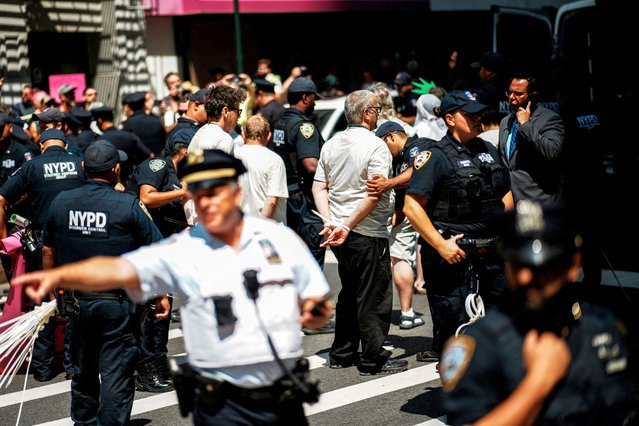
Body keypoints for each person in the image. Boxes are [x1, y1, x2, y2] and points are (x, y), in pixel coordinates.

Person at [14, 148, 333, 426]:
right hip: (220, 403)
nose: (206, 202)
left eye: (215, 192)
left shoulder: (279, 239)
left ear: (236, 193)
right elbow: (119, 269)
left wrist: (306, 312)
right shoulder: (182, 248)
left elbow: (319, 304)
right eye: (198, 193)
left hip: (282, 396)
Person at [439, 200, 638, 425]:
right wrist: (538, 384)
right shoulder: (481, 344)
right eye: (518, 265)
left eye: (540, 268)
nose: (525, 278)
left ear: (573, 266)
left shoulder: (601, 326)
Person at [36, 140, 163, 423]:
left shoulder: (62, 202)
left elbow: (47, 250)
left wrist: (54, 291)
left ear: (83, 167)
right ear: (116, 169)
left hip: (78, 302)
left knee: (83, 371)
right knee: (116, 373)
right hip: (118, 305)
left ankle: (84, 422)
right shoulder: (129, 204)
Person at [403, 90, 513, 363]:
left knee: (504, 324)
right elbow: (411, 207)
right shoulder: (434, 156)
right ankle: (460, 397)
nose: (478, 119)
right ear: (450, 119)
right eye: (470, 115)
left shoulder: (487, 149)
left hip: (493, 255)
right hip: (454, 256)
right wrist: (441, 245)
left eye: (479, 114)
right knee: (458, 332)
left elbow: (506, 194)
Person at [312, 89, 408, 376]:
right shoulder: (376, 146)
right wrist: (345, 225)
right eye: (377, 110)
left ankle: (342, 352)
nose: (378, 114)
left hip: (340, 233)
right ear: (366, 113)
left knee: (350, 291)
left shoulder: (331, 143)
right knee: (373, 295)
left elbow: (319, 187)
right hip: (365, 230)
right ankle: (372, 358)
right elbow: (374, 194)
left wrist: (332, 222)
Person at [0, 128, 85, 381]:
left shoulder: (32, 166)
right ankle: (73, 366)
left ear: (41, 145)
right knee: (74, 304)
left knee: (42, 304)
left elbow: (1, 198)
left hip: (41, 244)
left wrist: (3, 237)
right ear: (65, 145)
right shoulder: (79, 164)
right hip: (76, 241)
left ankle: (44, 367)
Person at [370, 121, 432, 329]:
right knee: (400, 257)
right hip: (408, 212)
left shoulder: (417, 146)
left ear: (391, 137)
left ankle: (408, 312)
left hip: (431, 212)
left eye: (383, 144)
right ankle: (407, 313)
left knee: (404, 258)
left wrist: (389, 183)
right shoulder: (397, 159)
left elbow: (418, 169)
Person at [271, 77, 327, 268]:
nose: (315, 102)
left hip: (286, 196)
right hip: (303, 200)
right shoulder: (304, 126)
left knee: (292, 254)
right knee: (313, 249)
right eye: (313, 98)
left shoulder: (281, 123)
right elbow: (311, 164)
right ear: (305, 98)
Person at [499, 71, 565, 208]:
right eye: (509, 92)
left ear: (532, 96)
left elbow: (552, 151)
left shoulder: (549, 119)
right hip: (512, 204)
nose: (511, 97)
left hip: (539, 202)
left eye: (518, 93)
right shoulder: (506, 122)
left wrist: (526, 125)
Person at [235, 115, 288, 223]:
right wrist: (260, 225)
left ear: (243, 134)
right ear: (268, 136)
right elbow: (272, 201)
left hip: (240, 225)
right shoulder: (274, 160)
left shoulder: (233, 156)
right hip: (269, 228)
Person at [91, 105, 153, 190]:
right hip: (128, 184)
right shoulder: (130, 136)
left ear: (100, 120)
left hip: (106, 186)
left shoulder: (99, 141)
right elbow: (150, 156)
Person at [188, 85, 246, 156]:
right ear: (225, 111)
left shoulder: (199, 133)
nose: (239, 116)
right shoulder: (224, 139)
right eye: (238, 111)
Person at [122, 91, 167, 156]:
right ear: (144, 104)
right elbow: (164, 142)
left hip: (136, 164)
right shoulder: (156, 121)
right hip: (155, 163)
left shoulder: (128, 124)